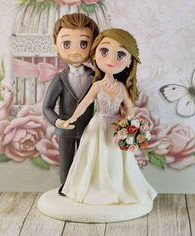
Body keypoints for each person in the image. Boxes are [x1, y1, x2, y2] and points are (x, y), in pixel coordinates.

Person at [61, 28, 157, 204]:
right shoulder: (97, 85)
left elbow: (129, 106)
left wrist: (129, 122)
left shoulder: (121, 87)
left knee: (115, 157)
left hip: (116, 127)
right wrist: (72, 118)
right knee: (94, 156)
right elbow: (84, 104)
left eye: (120, 54)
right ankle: (95, 187)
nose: (111, 59)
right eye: (104, 51)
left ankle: (115, 186)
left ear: (129, 62)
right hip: (98, 124)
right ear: (95, 55)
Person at [43, 13, 99, 195]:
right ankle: (66, 186)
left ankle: (86, 186)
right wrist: (58, 122)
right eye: (67, 44)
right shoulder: (59, 78)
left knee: (88, 159)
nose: (75, 50)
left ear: (94, 45)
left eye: (83, 44)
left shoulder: (96, 77)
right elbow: (47, 107)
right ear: (56, 47)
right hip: (66, 128)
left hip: (89, 127)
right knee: (66, 160)